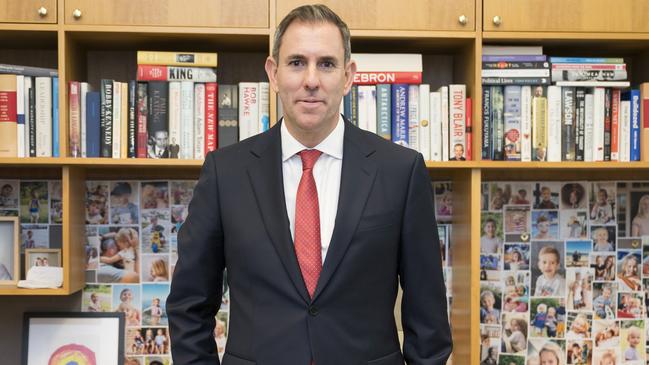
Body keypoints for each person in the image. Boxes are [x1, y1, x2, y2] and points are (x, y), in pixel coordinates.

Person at [167, 5, 451, 364]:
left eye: (327, 64)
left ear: (348, 76)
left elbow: (428, 318)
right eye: (297, 62)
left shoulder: (401, 171)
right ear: (274, 72)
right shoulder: (226, 173)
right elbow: (189, 305)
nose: (311, 80)